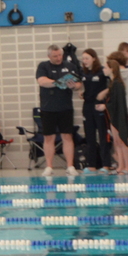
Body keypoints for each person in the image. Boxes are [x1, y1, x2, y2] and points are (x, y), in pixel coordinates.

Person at [35, 44, 81, 176]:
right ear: (49, 56)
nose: (58, 58)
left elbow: (78, 84)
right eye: (55, 56)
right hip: (48, 107)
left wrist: (73, 86)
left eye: (60, 55)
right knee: (49, 137)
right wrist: (59, 83)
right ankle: (49, 166)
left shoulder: (70, 66)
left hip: (65, 107)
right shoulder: (43, 66)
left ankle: (70, 166)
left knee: (67, 136)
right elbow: (42, 81)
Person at [105, 54, 128, 176]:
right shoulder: (112, 83)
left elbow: (119, 103)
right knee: (118, 142)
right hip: (114, 116)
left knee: (124, 141)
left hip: (120, 116)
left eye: (105, 67)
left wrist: (106, 106)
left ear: (112, 69)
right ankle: (121, 166)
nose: (103, 70)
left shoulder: (118, 84)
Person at [77, 49, 111, 172]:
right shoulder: (83, 72)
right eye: (83, 59)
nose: (84, 61)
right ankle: (92, 164)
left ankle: (106, 164)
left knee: (102, 136)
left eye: (87, 58)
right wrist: (82, 93)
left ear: (94, 58)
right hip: (87, 106)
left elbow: (114, 85)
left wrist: (105, 93)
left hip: (99, 106)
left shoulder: (103, 71)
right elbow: (82, 86)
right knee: (90, 137)